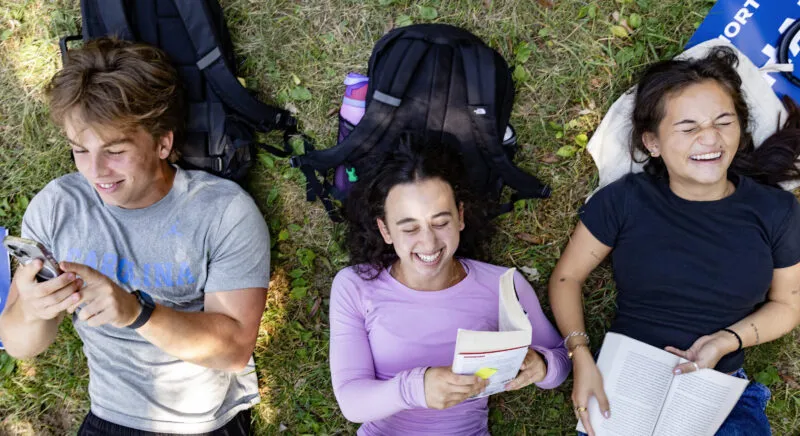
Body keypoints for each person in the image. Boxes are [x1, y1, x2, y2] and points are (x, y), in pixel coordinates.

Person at [0, 38, 270, 435]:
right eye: (80, 150)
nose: (96, 171)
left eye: (115, 150)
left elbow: (232, 350)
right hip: (109, 419)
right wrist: (33, 310)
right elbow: (20, 344)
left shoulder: (222, 212)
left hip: (201, 423)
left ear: (163, 142)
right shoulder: (57, 206)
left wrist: (136, 313)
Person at [548, 46, 800, 436]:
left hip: (718, 393)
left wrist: (725, 340)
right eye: (688, 127)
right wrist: (581, 356)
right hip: (624, 384)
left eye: (723, 122)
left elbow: (788, 304)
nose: (710, 138)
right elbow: (567, 278)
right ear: (653, 142)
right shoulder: (626, 199)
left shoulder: (776, 211)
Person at [328, 137, 570, 435]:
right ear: (385, 230)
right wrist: (416, 388)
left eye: (440, 222)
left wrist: (542, 366)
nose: (428, 242)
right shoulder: (354, 286)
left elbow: (561, 359)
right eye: (410, 228)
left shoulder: (502, 284)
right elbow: (351, 402)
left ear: (461, 217)